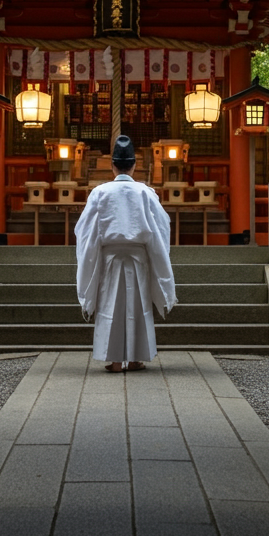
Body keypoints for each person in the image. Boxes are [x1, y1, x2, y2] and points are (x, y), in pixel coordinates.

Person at [75, 135, 177, 372]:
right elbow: (161, 227)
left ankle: (114, 360)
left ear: (113, 166)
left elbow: (85, 229)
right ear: (134, 165)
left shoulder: (100, 193)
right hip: (138, 257)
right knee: (138, 306)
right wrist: (157, 257)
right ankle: (135, 359)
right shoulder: (145, 192)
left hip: (110, 257)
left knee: (109, 303)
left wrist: (91, 257)